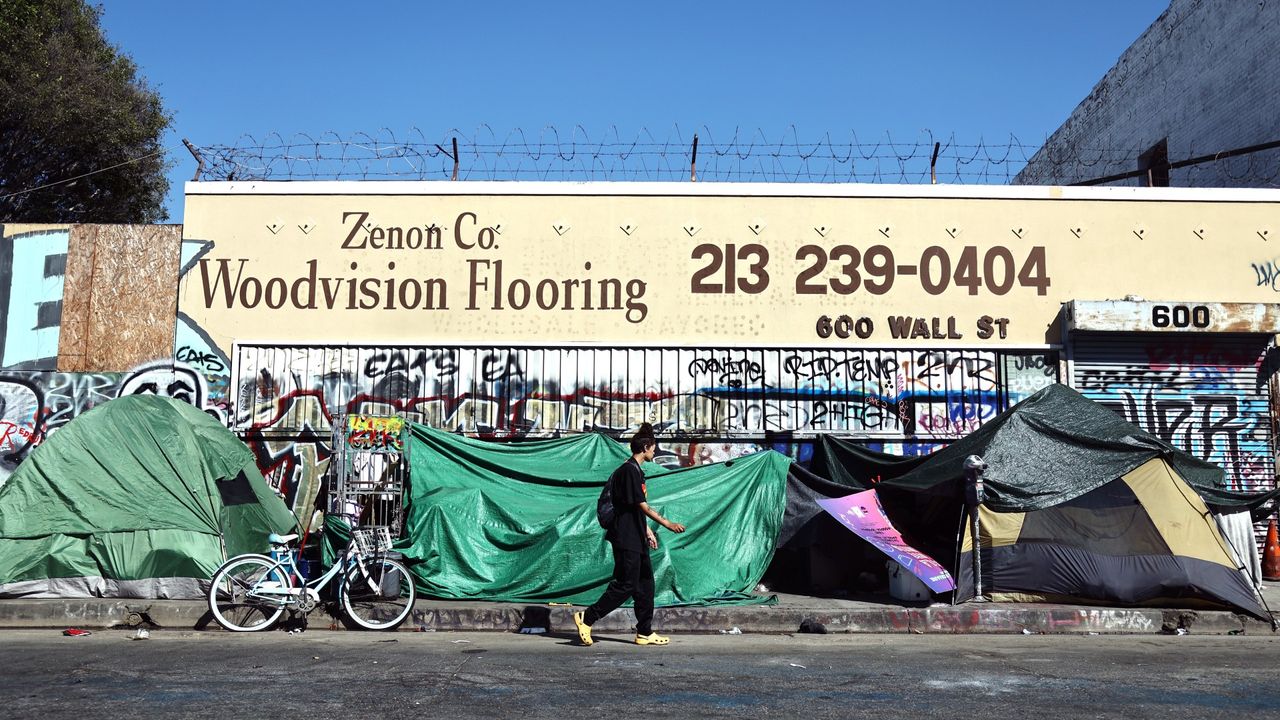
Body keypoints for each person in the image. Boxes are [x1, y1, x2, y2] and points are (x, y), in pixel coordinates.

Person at [574, 426, 685, 646]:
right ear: (645, 448)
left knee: (646, 586)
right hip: (626, 538)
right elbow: (641, 505)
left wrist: (648, 531)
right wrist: (666, 523)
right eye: (653, 448)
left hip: (636, 536)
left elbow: (631, 506)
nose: (655, 452)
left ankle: (644, 632)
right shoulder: (628, 471)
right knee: (626, 584)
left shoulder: (636, 470)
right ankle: (587, 618)